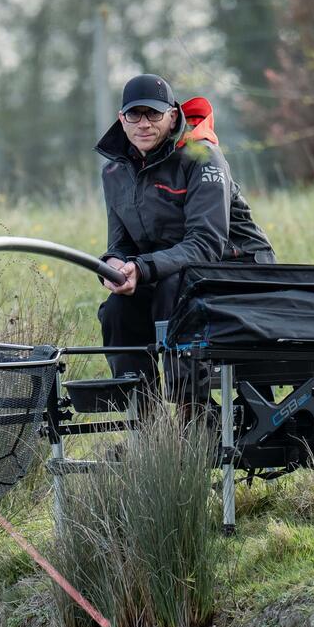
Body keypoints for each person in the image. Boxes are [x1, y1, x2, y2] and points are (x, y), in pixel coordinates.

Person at [94, 73, 275, 399]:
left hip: (237, 267)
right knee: (117, 311)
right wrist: (115, 264)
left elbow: (206, 243)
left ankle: (192, 417)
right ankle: (144, 428)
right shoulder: (113, 172)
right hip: (169, 270)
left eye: (154, 113)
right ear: (122, 120)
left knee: (173, 290)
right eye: (134, 114)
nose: (144, 124)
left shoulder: (202, 156)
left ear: (173, 115)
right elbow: (120, 243)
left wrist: (144, 268)